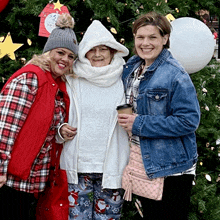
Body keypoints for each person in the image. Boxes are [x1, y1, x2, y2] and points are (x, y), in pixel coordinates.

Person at [118, 12, 200, 220]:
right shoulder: (132, 68)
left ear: (164, 39)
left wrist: (140, 123)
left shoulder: (174, 74)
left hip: (171, 167)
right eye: (140, 37)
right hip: (142, 161)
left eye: (152, 37)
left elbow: (189, 121)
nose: (145, 43)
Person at [0, 13, 78, 220]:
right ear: (48, 52)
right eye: (60, 52)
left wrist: (61, 130)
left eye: (71, 56)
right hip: (9, 180)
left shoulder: (56, 84)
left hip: (32, 181)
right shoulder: (30, 78)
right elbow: (5, 127)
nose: (65, 60)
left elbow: (45, 124)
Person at [57, 20, 130, 219]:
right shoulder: (72, 78)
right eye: (92, 49)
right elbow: (56, 113)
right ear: (84, 52)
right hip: (78, 166)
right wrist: (61, 129)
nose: (97, 54)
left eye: (103, 49)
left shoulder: (125, 77)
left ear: (113, 51)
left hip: (112, 168)